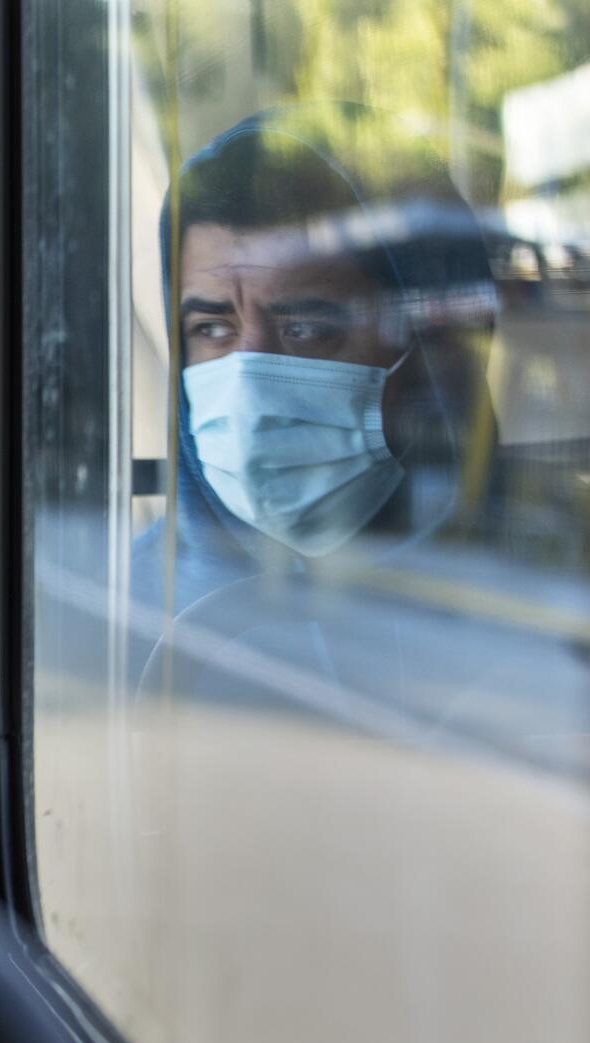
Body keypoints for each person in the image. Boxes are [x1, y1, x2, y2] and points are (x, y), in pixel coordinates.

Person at [130, 102, 586, 775]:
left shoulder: (541, 593)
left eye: (306, 327)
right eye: (213, 328)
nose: (249, 383)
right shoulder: (129, 608)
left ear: (421, 351)